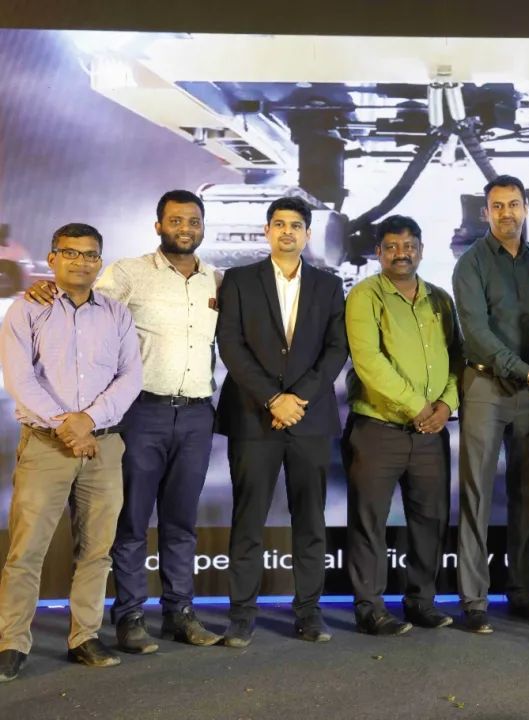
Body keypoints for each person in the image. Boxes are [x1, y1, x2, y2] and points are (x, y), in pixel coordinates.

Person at [23, 190, 222, 653]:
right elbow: (82, 303)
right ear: (159, 226)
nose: (185, 228)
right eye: (175, 220)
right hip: (142, 412)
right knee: (131, 521)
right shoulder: (129, 273)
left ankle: (180, 614)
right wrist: (46, 288)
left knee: (181, 522)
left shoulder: (215, 279)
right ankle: (130, 616)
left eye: (193, 221)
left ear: (202, 227)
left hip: (196, 414)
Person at [0, 224, 141, 681]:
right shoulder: (27, 309)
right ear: (53, 258)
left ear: (100, 261)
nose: (81, 262)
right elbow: (20, 379)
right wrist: (67, 426)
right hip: (46, 446)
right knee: (26, 551)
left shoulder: (116, 314)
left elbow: (130, 378)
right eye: (71, 253)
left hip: (103, 446)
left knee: (96, 550)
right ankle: (11, 642)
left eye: (90, 254)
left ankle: (85, 636)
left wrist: (88, 422)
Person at [215, 196, 348, 648]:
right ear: (267, 231)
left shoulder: (329, 285)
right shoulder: (239, 280)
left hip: (309, 419)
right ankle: (241, 615)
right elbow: (230, 345)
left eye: (295, 225)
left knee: (310, 520)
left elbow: (336, 349)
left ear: (308, 234)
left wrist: (298, 398)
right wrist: (273, 399)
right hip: (253, 416)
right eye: (279, 224)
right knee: (248, 519)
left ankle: (309, 612)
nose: (287, 231)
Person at [342, 215, 462, 635]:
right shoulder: (364, 296)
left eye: (409, 246)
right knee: (369, 521)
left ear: (421, 250)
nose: (401, 253)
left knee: (430, 520)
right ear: (379, 252)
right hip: (378, 430)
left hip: (431, 434)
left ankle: (421, 602)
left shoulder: (440, 299)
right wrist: (418, 408)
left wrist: (446, 405)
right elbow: (369, 363)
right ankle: (370, 608)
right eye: (391, 246)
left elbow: (457, 358)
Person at [452, 174, 529, 633]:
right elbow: (476, 333)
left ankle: (522, 592)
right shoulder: (471, 263)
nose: (506, 213)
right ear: (485, 213)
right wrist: (526, 370)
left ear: (525, 208)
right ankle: (474, 600)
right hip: (486, 386)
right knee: (477, 494)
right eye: (497, 206)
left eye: (513, 204)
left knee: (527, 494)